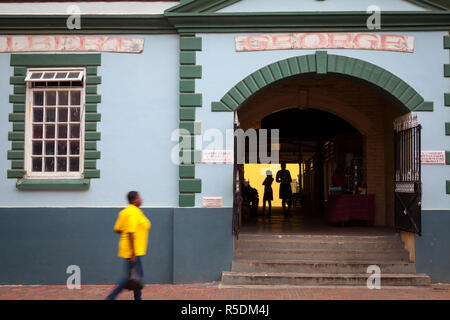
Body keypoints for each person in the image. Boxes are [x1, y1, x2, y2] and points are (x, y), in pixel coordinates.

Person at [106, 191, 151, 300]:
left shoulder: (127, 212)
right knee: (131, 277)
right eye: (139, 197)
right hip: (133, 250)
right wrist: (133, 254)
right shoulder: (133, 213)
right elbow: (131, 233)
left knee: (136, 276)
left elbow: (117, 229)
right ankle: (111, 297)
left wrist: (126, 232)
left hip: (130, 249)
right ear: (134, 200)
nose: (141, 199)